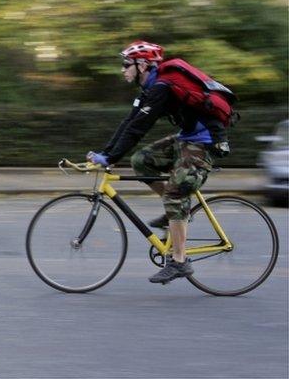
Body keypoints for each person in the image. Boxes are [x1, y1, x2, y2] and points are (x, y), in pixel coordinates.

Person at [87, 40, 227, 285]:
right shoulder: (150, 90)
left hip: (205, 142)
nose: (122, 69)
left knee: (175, 193)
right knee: (141, 161)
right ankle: (176, 210)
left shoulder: (161, 87)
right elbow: (128, 123)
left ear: (142, 65)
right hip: (187, 138)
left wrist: (110, 158)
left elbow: (138, 129)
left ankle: (180, 262)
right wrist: (106, 153)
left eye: (126, 64)